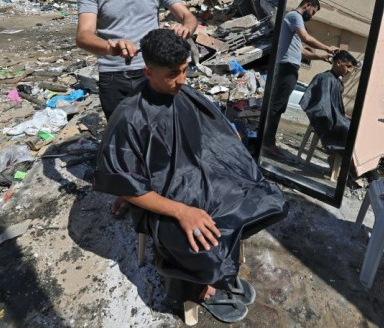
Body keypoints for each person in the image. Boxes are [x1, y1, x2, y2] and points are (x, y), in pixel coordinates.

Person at [94, 29, 288, 323]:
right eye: (173, 74)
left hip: (196, 179)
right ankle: (199, 288)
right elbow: (129, 184)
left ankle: (223, 268)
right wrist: (183, 212)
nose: (182, 81)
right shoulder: (129, 116)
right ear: (148, 72)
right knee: (199, 242)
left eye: (185, 71)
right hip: (161, 199)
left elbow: (213, 138)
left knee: (266, 200)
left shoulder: (184, 94)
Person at [262, 0, 338, 157]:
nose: (312, 15)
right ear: (308, 5)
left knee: (279, 106)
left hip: (290, 67)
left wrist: (321, 57)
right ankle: (267, 143)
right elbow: (306, 38)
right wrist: (327, 48)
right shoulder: (294, 17)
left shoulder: (295, 24)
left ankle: (268, 141)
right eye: (313, 11)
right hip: (286, 67)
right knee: (277, 106)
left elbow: (302, 51)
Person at [299, 50, 359, 151]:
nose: (349, 71)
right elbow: (321, 108)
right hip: (324, 120)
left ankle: (341, 160)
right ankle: (337, 158)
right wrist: (338, 119)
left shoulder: (337, 82)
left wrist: (348, 117)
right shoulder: (324, 78)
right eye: (348, 66)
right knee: (351, 131)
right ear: (338, 63)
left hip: (333, 118)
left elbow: (336, 109)